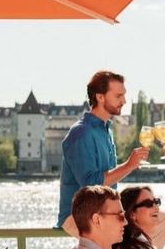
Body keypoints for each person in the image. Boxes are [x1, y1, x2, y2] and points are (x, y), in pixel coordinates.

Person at [57, 70, 149, 236]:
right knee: (130, 242)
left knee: (159, 222)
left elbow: (108, 184)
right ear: (100, 97)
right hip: (78, 216)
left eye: (124, 95)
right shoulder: (81, 133)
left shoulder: (106, 130)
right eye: (118, 96)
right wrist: (129, 165)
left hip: (105, 213)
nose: (124, 101)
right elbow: (91, 185)